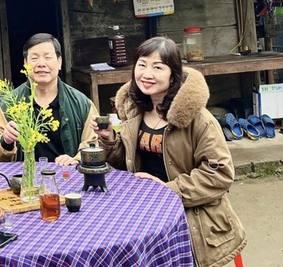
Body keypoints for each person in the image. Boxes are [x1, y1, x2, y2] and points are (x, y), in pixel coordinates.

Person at [94, 36, 246, 267]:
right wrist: (110, 141)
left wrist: (165, 190)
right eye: (142, 65)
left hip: (193, 216)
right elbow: (125, 163)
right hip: (146, 208)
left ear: (173, 74)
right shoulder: (136, 112)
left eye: (158, 67)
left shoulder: (199, 120)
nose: (147, 74)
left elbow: (220, 174)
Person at [0, 33, 99, 166]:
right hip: (24, 181)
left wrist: (75, 159)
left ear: (59, 62)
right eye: (34, 58)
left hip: (67, 178)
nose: (41, 64)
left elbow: (94, 144)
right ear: (25, 63)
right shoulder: (10, 104)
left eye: (47, 57)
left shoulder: (81, 103)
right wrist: (5, 141)